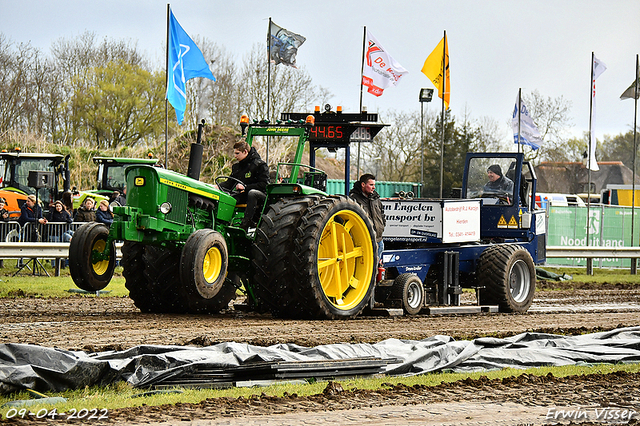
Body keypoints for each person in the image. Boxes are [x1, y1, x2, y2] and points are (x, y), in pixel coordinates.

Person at [217, 141, 269, 230]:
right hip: (243, 194)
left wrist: (245, 187)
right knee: (227, 197)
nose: (235, 156)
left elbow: (264, 184)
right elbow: (229, 183)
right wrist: (217, 187)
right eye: (235, 153)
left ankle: (245, 225)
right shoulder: (237, 167)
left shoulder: (260, 165)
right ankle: (222, 223)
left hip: (259, 196)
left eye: (237, 153)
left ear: (245, 152)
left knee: (252, 193)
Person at [349, 173, 386, 264]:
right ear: (363, 185)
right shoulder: (354, 200)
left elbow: (382, 214)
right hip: (364, 242)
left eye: (374, 185)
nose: (374, 187)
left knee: (375, 268)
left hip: (378, 241)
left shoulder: (376, 198)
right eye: (371, 185)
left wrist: (382, 225)